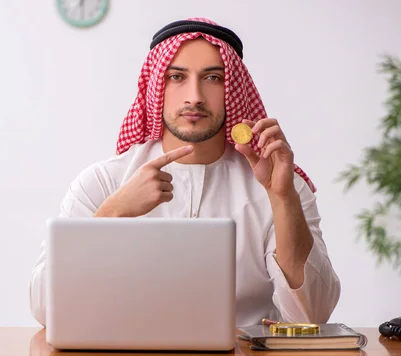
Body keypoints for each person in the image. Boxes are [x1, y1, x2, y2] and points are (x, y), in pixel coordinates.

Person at [29, 17, 341, 328]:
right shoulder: (102, 183)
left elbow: (311, 316)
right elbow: (45, 309)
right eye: (177, 76)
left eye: (213, 78)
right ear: (156, 87)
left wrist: (282, 198)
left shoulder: (280, 185)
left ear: (233, 87)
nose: (194, 96)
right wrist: (112, 214)